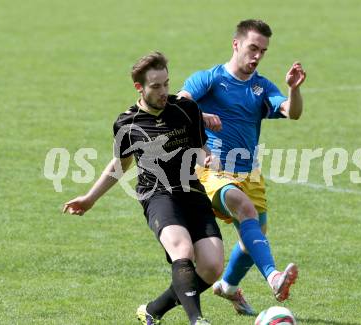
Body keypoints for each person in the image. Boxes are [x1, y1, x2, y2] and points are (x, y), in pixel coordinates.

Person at [62, 52, 223, 325]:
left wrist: (209, 158)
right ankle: (197, 320)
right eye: (156, 86)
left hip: (192, 192)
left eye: (166, 84)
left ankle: (152, 310)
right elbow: (119, 165)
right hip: (157, 194)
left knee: (212, 267)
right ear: (140, 87)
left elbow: (200, 148)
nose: (163, 92)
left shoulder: (186, 109)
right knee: (182, 251)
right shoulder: (127, 123)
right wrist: (90, 198)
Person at [177, 19, 306, 315]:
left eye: (263, 51)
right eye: (252, 48)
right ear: (236, 44)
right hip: (213, 170)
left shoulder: (262, 87)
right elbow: (178, 104)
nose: (257, 55)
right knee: (245, 210)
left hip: (250, 173)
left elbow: (293, 112)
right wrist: (203, 116)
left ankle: (228, 287)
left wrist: (293, 89)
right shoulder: (209, 79)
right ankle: (274, 278)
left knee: (253, 241)